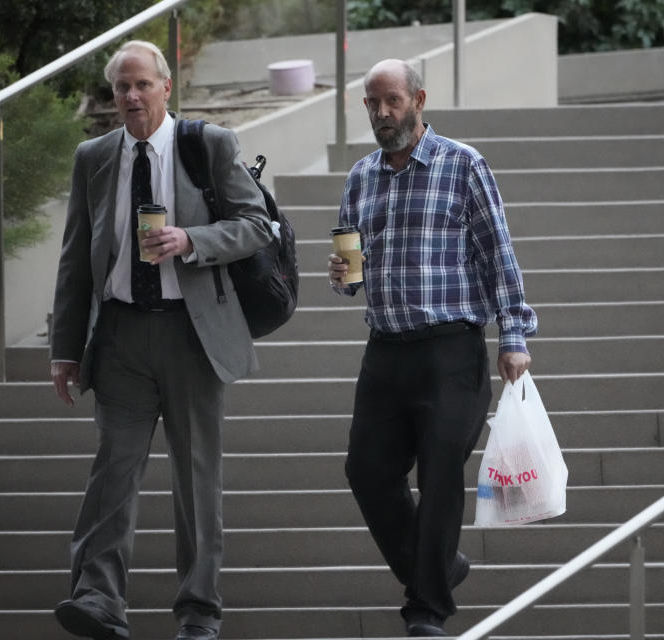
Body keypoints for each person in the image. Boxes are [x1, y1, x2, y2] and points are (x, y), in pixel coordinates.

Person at [49, 40, 273, 640]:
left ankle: (199, 611)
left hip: (190, 333)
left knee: (196, 477)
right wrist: (65, 350)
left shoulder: (207, 145)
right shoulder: (93, 156)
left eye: (142, 84)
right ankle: (97, 598)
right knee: (112, 472)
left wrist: (191, 241)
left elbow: (256, 225)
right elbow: (76, 259)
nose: (130, 96)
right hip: (120, 334)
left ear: (166, 87)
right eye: (121, 87)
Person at [328, 59, 538, 637]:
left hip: (452, 350)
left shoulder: (462, 164)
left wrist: (513, 336)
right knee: (366, 472)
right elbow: (350, 272)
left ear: (418, 99)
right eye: (372, 103)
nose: (381, 113)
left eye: (391, 100)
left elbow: (498, 253)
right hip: (386, 350)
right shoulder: (361, 176)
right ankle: (441, 567)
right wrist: (343, 275)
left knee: (441, 471)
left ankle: (426, 612)